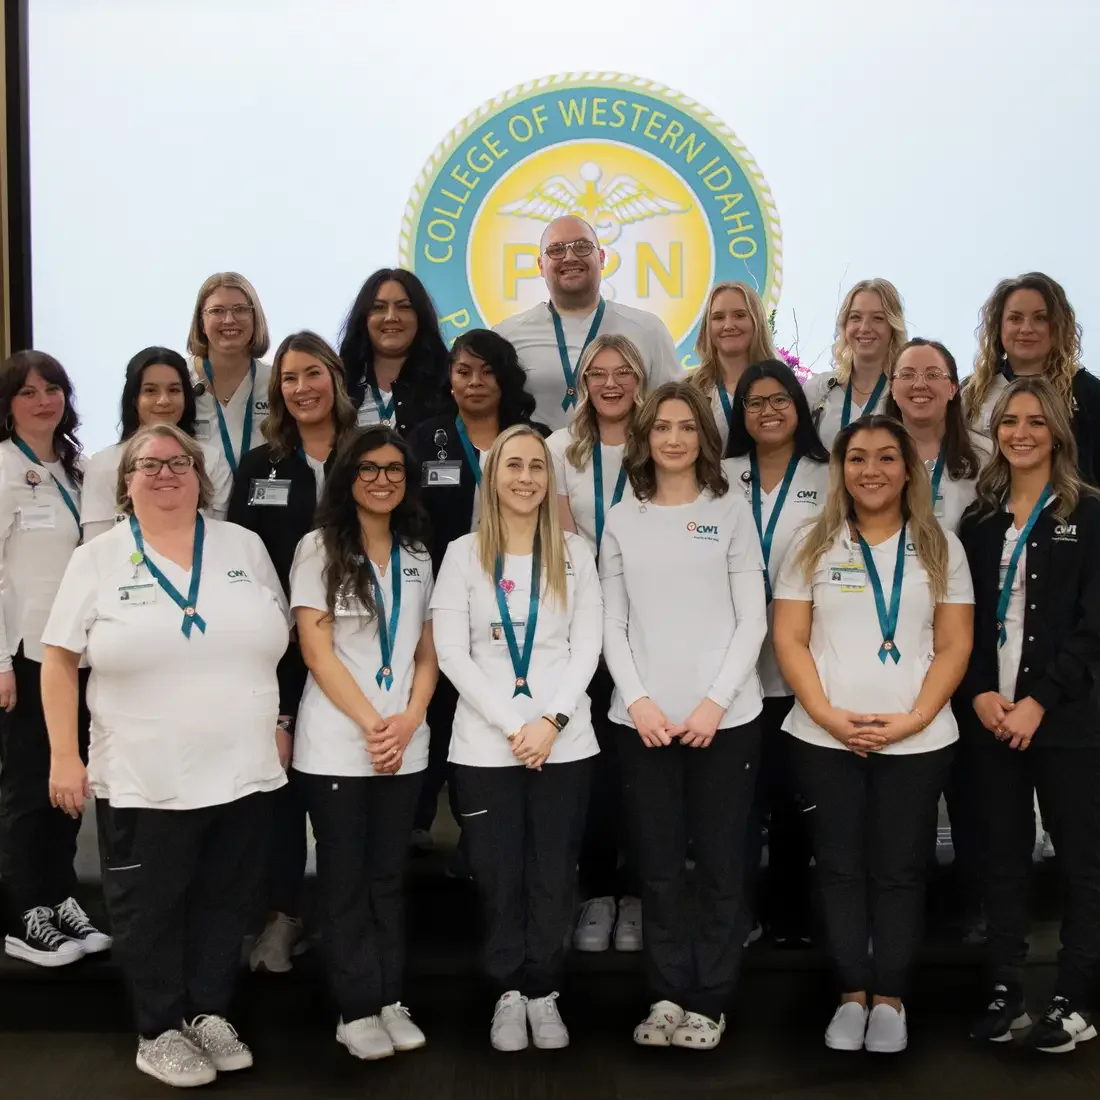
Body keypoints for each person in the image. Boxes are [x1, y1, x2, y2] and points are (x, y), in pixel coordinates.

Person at [41, 423, 288, 1088]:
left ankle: (207, 1011)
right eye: (148, 465)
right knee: (150, 909)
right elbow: (59, 661)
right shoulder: (98, 558)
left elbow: (277, 637)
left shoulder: (244, 545)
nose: (165, 473)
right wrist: (64, 755)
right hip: (146, 776)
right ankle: (158, 1029)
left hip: (242, 769)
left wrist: (279, 719)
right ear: (126, 484)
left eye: (179, 462)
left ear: (200, 477)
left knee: (223, 903)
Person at [772, 415, 973, 1055]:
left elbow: (954, 644)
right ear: (841, 469)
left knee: (898, 869)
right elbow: (789, 640)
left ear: (907, 469)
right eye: (858, 458)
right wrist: (829, 715)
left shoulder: (940, 544)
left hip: (917, 740)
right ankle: (851, 993)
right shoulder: (812, 542)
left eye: (887, 458)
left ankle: (890, 996)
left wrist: (913, 719)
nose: (872, 471)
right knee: (838, 866)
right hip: (824, 737)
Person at [601, 381, 768, 1050]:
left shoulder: (730, 510)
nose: (673, 438)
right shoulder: (621, 518)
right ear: (644, 438)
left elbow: (753, 617)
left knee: (725, 865)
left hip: (724, 721)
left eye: (686, 427)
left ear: (705, 437)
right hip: (642, 722)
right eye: (661, 427)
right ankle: (667, 994)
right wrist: (638, 700)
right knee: (660, 867)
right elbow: (612, 619)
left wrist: (713, 703)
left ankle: (711, 999)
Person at [430, 424, 602, 1052]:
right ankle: (508, 991)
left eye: (537, 467)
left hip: (565, 742)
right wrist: (513, 726)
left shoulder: (576, 556)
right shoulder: (461, 554)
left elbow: (588, 647)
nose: (526, 478)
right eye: (513, 466)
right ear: (492, 477)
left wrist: (549, 722)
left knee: (553, 871)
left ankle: (545, 990)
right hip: (486, 744)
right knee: (499, 874)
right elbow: (452, 654)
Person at [959, 377, 1100, 1054]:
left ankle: (1075, 997)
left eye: (1035, 423)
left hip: (1069, 722)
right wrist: (982, 693)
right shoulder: (979, 523)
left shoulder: (1091, 514)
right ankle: (1005, 987)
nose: (1020, 432)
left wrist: (1041, 701)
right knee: (1002, 858)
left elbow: (1092, 627)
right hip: (993, 719)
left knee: (1081, 861)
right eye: (1009, 421)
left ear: (1058, 434)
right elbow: (964, 620)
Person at [290, 426, 438, 1060]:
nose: (383, 480)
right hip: (338, 745)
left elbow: (430, 654)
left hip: (404, 742)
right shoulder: (318, 549)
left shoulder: (417, 553)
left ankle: (388, 996)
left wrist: (406, 720)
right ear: (347, 477)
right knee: (346, 879)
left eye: (395, 470)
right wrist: (372, 723)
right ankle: (355, 1007)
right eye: (370, 469)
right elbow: (316, 651)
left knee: (388, 877)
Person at [228, 331, 358, 974]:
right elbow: (242, 557)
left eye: (313, 373)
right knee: (276, 786)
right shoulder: (261, 464)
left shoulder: (369, 453)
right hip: (277, 647)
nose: (301, 388)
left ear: (335, 377)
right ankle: (282, 914)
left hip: (358, 643)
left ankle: (341, 916)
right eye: (288, 378)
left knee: (344, 786)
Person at [407, 328, 548, 847]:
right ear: (449, 379)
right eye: (463, 371)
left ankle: (489, 837)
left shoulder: (535, 437)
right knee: (444, 702)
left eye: (487, 370)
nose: (475, 381)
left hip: (518, 603)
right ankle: (428, 826)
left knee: (504, 701)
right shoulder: (426, 439)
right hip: (442, 596)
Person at [0, 351, 109, 967]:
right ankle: (25, 913)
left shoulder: (78, 468)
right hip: (26, 652)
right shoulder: (2, 467)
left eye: (53, 389)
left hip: (79, 652)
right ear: (9, 403)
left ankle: (60, 894)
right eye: (28, 391)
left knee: (68, 784)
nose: (44, 400)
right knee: (26, 786)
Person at [723, 360, 830, 946]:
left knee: (798, 797)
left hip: (805, 663)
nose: (768, 411)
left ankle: (790, 913)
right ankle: (739, 914)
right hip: (734, 667)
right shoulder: (717, 473)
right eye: (755, 402)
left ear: (799, 406)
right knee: (741, 799)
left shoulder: (830, 474)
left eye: (780, 399)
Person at [546, 334, 646, 955]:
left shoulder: (660, 442)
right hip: (582, 621)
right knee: (594, 768)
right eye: (598, 374)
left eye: (623, 373)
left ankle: (636, 895)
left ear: (640, 379)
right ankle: (595, 893)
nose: (610, 385)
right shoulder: (560, 450)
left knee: (640, 766)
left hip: (648, 621)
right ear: (582, 383)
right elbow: (563, 540)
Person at [494, 215, 681, 431]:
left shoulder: (648, 330)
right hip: (537, 463)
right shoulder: (507, 335)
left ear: (601, 258)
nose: (570, 256)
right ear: (540, 265)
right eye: (556, 249)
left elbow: (673, 411)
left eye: (582, 246)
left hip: (627, 463)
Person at [962, 272, 1100, 485]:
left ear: (1058, 326)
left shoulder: (1087, 393)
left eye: (1040, 318)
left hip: (1068, 515)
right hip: (990, 512)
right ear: (999, 326)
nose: (1026, 329)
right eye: (1015, 318)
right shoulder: (972, 393)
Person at [82, 347, 233, 540]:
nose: (164, 400)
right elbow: (96, 546)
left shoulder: (212, 461)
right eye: (150, 391)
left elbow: (222, 540)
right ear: (134, 399)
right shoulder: (103, 465)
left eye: (174, 390)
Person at [885, 339, 991, 535]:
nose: (919, 384)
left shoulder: (986, 456)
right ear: (892, 387)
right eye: (907, 375)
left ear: (953, 388)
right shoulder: (870, 455)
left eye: (932, 375)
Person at [338, 268, 450, 434]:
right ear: (364, 318)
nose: (391, 317)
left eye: (404, 307)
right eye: (379, 307)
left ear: (420, 317)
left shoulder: (448, 383)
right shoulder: (340, 384)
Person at [185, 271, 272, 475]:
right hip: (194, 504)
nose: (229, 319)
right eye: (217, 311)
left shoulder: (275, 381)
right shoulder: (178, 380)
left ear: (254, 317)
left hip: (259, 504)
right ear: (201, 323)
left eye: (240, 309)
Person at [803, 279, 907, 448]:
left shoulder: (904, 392)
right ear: (845, 325)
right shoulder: (817, 390)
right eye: (856, 317)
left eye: (878, 318)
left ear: (893, 327)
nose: (865, 327)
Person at [690, 282, 778, 449]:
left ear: (756, 321)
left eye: (739, 315)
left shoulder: (782, 386)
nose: (728, 325)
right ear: (707, 327)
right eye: (718, 317)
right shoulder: (690, 389)